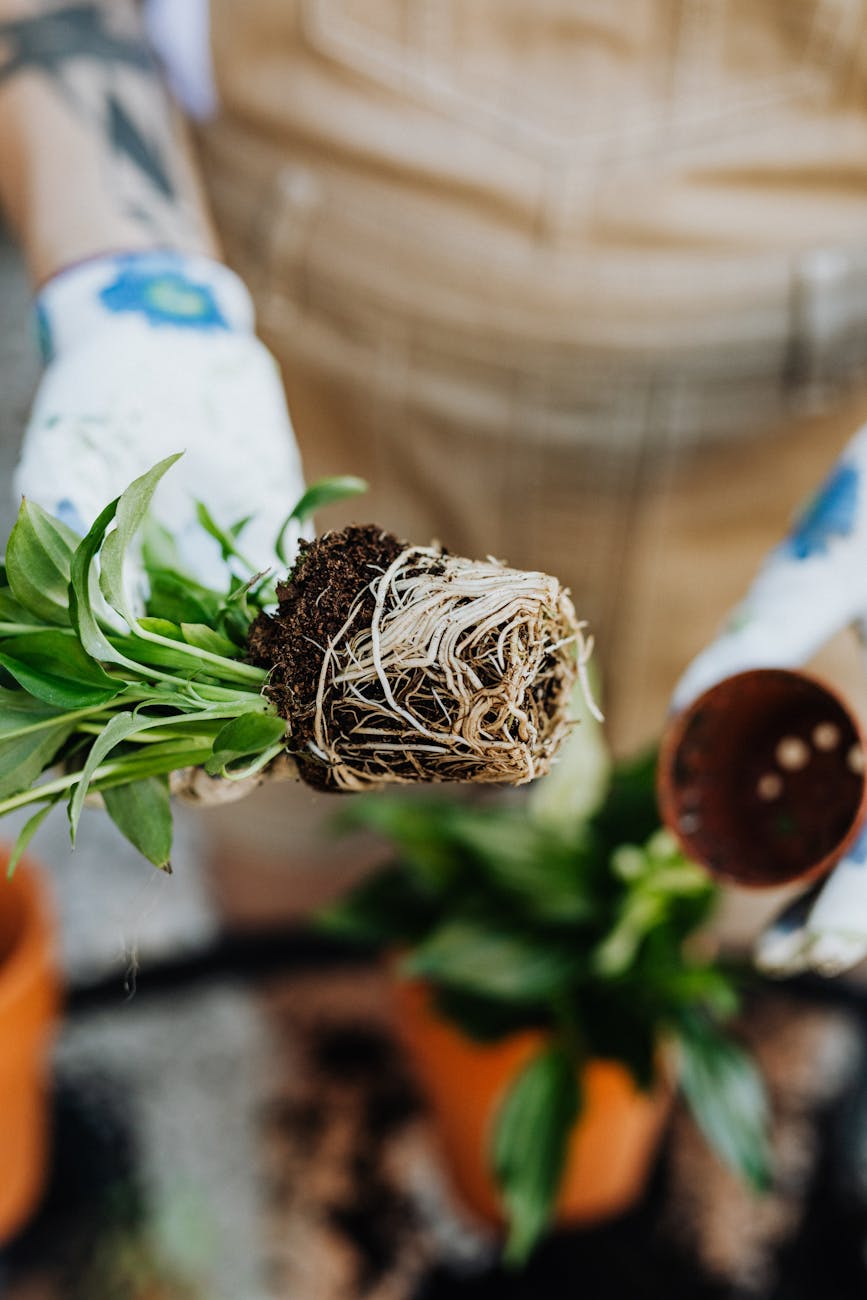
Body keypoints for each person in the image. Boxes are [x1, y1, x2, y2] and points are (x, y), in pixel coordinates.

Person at [3, 0, 867, 973]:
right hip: (309, 372)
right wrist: (134, 299)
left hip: (780, 467)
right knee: (321, 944)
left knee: (727, 926)